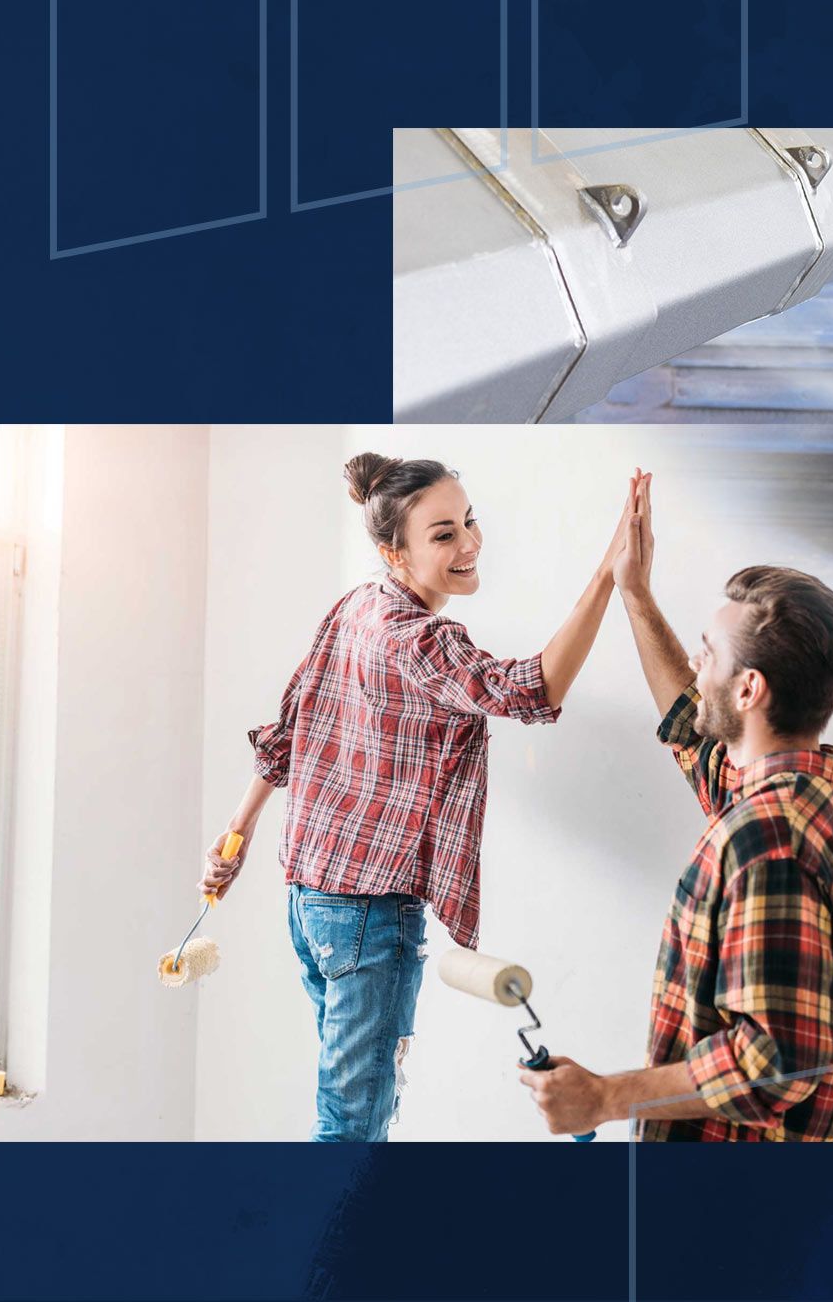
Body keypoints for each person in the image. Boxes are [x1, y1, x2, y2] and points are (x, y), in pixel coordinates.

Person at [202, 453, 633, 1141]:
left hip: (310, 898)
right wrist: (611, 577)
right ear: (392, 551)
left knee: (352, 1107)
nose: (468, 543)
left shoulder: (357, 605)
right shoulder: (419, 637)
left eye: (468, 521)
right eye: (442, 534)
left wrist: (237, 831)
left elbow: (288, 728)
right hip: (368, 916)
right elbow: (532, 690)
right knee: (351, 1124)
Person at [519, 475, 833, 1141]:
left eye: (707, 652)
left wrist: (602, 1097)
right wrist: (634, 590)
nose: (694, 660)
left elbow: (777, 1064)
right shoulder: (820, 791)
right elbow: (695, 728)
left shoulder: (767, 840)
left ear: (750, 689)